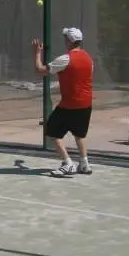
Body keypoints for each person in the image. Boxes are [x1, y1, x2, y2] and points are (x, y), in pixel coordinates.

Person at [32, 26, 93, 177]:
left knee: (52, 131)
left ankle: (68, 163)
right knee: (80, 135)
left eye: (65, 38)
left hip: (69, 105)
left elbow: (40, 70)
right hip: (86, 104)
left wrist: (37, 53)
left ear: (69, 41)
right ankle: (84, 164)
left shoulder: (65, 59)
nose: (64, 40)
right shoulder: (89, 58)